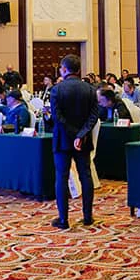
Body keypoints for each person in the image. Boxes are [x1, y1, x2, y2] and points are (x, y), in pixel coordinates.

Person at [49, 54, 97, 229]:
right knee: (85, 175)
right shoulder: (90, 89)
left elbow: (57, 118)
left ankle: (63, 219)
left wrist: (74, 134)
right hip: (83, 140)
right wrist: (80, 135)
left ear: (64, 69)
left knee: (61, 177)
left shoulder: (57, 90)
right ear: (79, 69)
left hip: (63, 139)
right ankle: (88, 217)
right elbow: (94, 116)